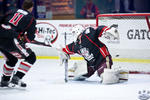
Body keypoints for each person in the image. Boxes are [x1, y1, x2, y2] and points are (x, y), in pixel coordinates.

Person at [58, 24, 126, 84]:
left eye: (73, 32)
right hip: (91, 65)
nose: (73, 34)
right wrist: (63, 52)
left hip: (102, 60)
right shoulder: (76, 45)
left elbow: (98, 30)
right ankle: (76, 70)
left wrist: (107, 30)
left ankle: (119, 73)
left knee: (106, 77)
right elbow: (67, 49)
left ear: (77, 31)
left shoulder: (87, 34)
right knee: (78, 75)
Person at [0, 0, 36, 87]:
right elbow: (30, 37)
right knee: (31, 57)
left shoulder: (12, 11)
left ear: (23, 6)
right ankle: (17, 77)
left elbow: (1, 20)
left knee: (12, 59)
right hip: (11, 39)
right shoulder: (31, 18)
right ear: (31, 8)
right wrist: (24, 38)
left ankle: (5, 80)